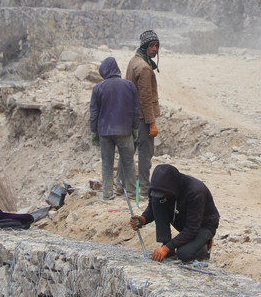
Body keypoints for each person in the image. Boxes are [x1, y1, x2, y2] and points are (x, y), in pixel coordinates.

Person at [129, 164, 220, 262]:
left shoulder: (195, 192)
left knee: (184, 254)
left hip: (202, 225)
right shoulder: (161, 188)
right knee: (157, 200)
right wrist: (142, 219)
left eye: (164, 194)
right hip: (181, 219)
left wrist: (166, 248)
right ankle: (167, 243)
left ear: (172, 188)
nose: (162, 195)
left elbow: (192, 228)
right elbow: (153, 207)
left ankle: (205, 245)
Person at [89, 57, 141, 200]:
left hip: (105, 132)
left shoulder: (98, 88)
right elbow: (136, 110)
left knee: (107, 163)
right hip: (125, 131)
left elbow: (94, 113)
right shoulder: (129, 86)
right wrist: (135, 128)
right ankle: (131, 193)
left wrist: (94, 132)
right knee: (128, 162)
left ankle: (107, 194)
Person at [127, 30, 161, 191]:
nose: (155, 49)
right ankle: (144, 188)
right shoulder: (145, 68)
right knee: (145, 154)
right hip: (142, 118)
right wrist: (152, 122)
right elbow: (145, 99)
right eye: (152, 45)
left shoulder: (133, 61)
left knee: (128, 152)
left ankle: (123, 186)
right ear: (145, 46)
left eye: (157, 45)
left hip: (132, 116)